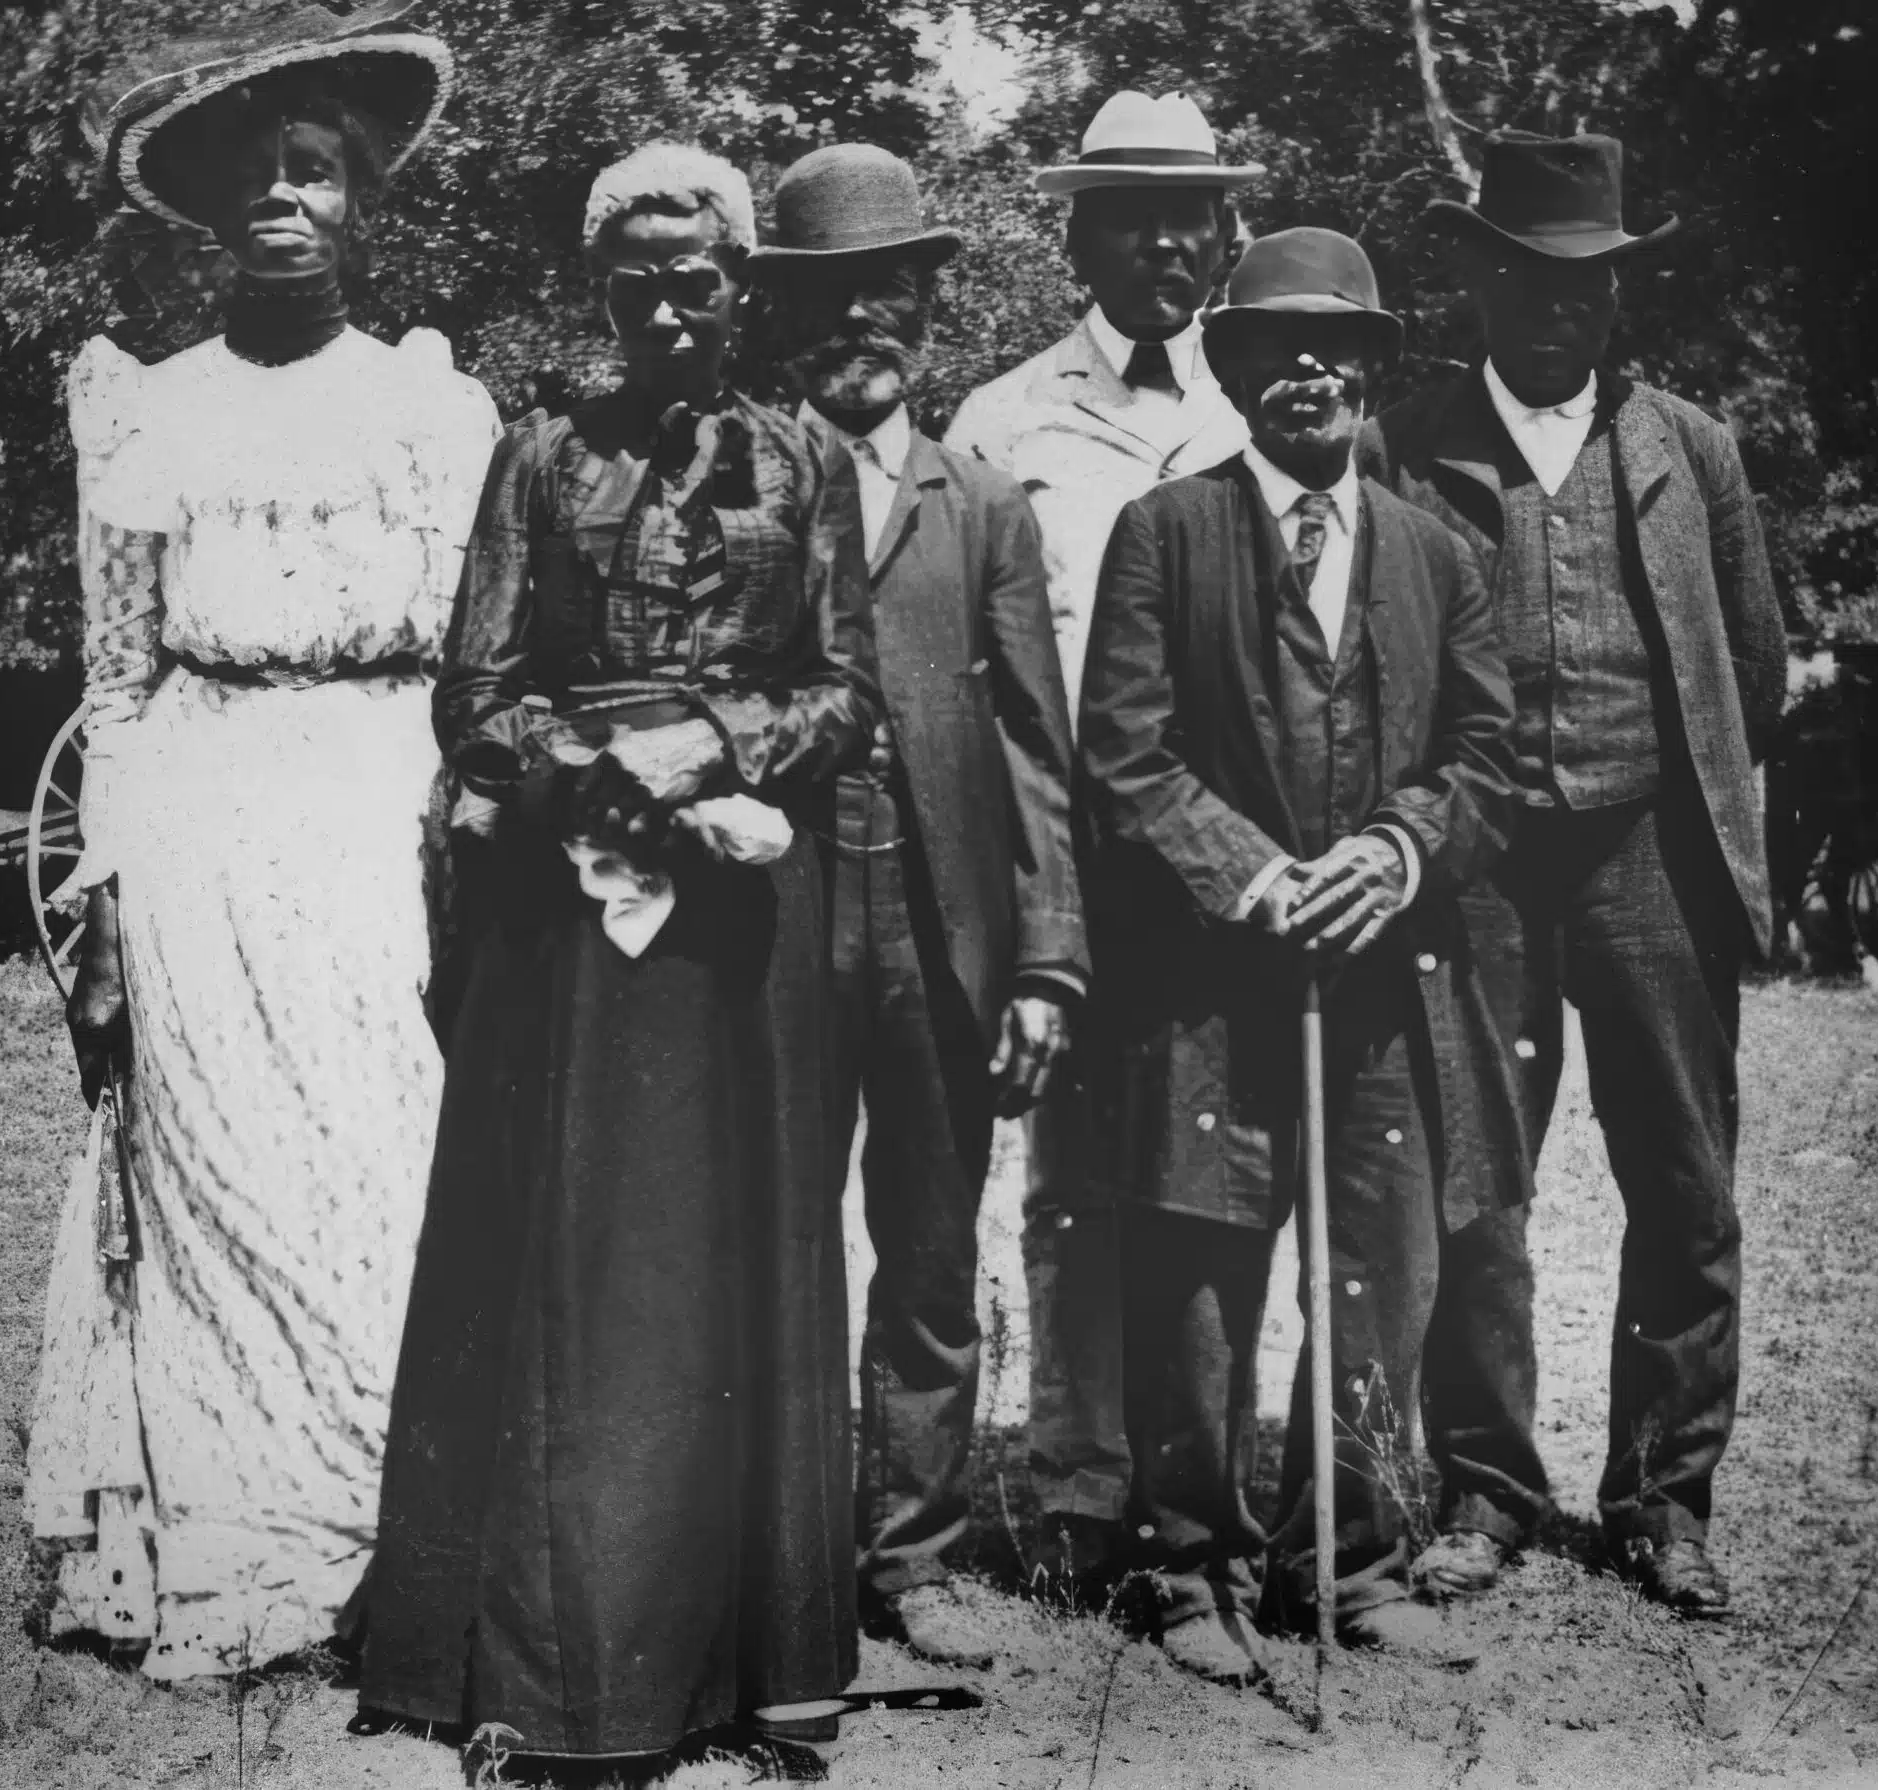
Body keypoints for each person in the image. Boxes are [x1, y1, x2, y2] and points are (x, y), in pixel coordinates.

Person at [354, 143, 881, 1774]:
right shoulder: (536, 457)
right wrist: (607, 781)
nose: (668, 305)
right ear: (602, 293)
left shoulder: (805, 462)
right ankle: (557, 1672)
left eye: (697, 278)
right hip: (564, 926)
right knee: (571, 1263)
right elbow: (476, 690)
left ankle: (744, 1662)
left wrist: (714, 746)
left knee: (738, 1258)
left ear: (742, 292)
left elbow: (847, 689)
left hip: (741, 928)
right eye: (636, 280)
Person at [21, 6, 498, 1681]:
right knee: (218, 1167)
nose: (284, 201)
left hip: (376, 814)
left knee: (380, 1158)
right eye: (258, 178)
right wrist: (105, 893)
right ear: (215, 210)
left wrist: (461, 840)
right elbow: (123, 677)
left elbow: (467, 667)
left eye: (315, 172)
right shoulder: (151, 411)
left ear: (363, 195)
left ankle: (388, 1530)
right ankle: (234, 1539)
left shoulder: (431, 409)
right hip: (206, 819)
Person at [1073, 228, 1527, 1684]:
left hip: (1385, 980)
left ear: (1374, 371)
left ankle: (1351, 1557)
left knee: (1376, 1271)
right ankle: (1182, 1563)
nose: (1307, 371)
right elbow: (1124, 759)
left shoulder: (1439, 553)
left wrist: (1394, 853)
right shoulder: (1167, 532)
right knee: (1202, 1267)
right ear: (1235, 367)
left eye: (1336, 348)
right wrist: (1257, 877)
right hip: (1212, 980)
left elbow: (1487, 756)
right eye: (1275, 347)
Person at [1357, 130, 1787, 1618]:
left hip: (1653, 857)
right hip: (1474, 872)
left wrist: (1686, 801)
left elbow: (1758, 663)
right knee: (1476, 1185)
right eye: (1534, 274)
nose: (1563, 306)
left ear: (1620, 293)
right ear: (1479, 275)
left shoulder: (1690, 448)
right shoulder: (1402, 443)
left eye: (1592, 280)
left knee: (1684, 1185)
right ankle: (1485, 1489)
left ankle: (1665, 1500)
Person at [749, 144, 1088, 1668]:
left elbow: (1036, 743)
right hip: (777, 916)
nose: (860, 324)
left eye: (887, 292)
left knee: (933, 1249)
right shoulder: (736, 475)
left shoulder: (988, 502)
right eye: (827, 298)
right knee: (771, 1232)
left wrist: (1047, 964)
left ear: (928, 311)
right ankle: (773, 1541)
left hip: (946, 922)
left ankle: (917, 1549)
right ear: (785, 316)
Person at [940, 88, 1258, 1588]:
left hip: (1225, 862)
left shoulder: (1262, 405)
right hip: (1066, 855)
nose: (1168, 244)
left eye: (1191, 214)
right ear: (1078, 228)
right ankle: (1077, 1481)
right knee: (1069, 1174)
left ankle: (1214, 1469)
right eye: (1134, 212)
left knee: (1219, 1171)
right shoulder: (1002, 421)